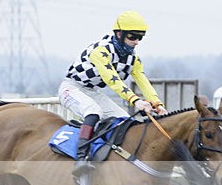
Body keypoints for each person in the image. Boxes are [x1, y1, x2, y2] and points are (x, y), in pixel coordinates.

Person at [58, 11, 167, 176]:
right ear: (119, 33)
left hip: (92, 91)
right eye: (132, 36)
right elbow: (112, 80)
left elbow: (143, 81)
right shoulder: (101, 51)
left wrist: (158, 105)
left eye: (140, 37)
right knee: (93, 112)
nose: (136, 42)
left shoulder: (133, 59)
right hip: (71, 88)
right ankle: (81, 158)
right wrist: (135, 100)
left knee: (123, 121)